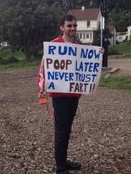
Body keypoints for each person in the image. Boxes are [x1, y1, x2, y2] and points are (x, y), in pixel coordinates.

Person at [37, 14, 82, 174]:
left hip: (74, 95)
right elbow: (43, 70)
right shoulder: (53, 46)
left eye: (74, 26)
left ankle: (63, 160)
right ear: (62, 27)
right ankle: (60, 167)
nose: (72, 28)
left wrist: (98, 54)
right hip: (59, 96)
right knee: (61, 131)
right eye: (69, 26)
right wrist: (43, 98)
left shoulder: (79, 45)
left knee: (67, 129)